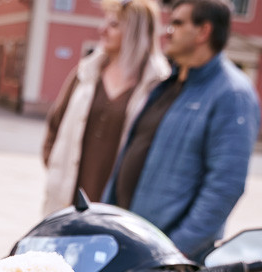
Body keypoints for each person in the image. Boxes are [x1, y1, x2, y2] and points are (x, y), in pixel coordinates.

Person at [103, 0, 259, 272]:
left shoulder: (231, 94)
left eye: (177, 23)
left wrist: (174, 253)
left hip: (166, 264)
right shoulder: (168, 85)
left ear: (203, 31)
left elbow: (225, 186)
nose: (168, 30)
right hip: (130, 247)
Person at [41, 0, 169, 215]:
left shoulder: (157, 84)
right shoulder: (86, 72)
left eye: (113, 25)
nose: (102, 30)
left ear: (135, 32)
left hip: (119, 208)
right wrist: (56, 168)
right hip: (69, 200)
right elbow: (55, 123)